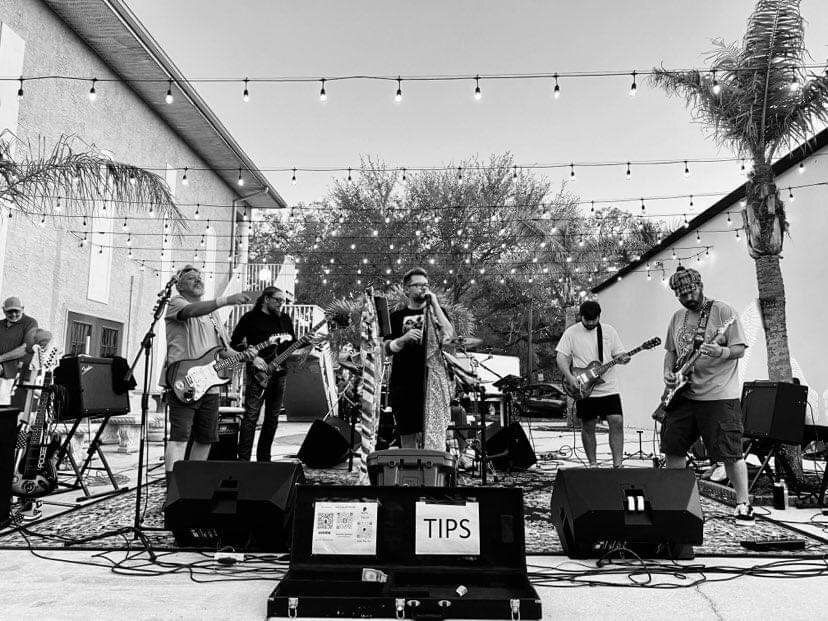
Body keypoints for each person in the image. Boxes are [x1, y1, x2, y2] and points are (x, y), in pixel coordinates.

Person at [660, 266, 753, 523]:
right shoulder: (677, 317)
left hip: (718, 395)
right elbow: (671, 352)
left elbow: (739, 349)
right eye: (682, 294)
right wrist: (667, 372)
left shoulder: (723, 311)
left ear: (700, 286)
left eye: (691, 292)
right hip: (683, 395)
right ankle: (677, 501)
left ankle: (743, 504)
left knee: (730, 452)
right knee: (673, 447)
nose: (688, 298)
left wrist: (720, 351)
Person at [163, 265, 250, 487]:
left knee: (206, 438)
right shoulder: (176, 302)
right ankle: (173, 490)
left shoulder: (212, 315)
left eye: (199, 277)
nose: (198, 280)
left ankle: (191, 485)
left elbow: (223, 350)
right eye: (191, 278)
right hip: (183, 380)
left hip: (210, 386)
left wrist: (247, 356)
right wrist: (226, 300)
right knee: (180, 438)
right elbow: (191, 311)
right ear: (180, 286)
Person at [384, 267, 454, 449]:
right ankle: (410, 467)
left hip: (431, 384)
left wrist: (435, 304)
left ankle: (432, 467)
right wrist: (402, 339)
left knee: (434, 437)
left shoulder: (437, 313)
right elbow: (385, 348)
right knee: (407, 436)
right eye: (418, 285)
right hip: (403, 384)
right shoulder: (396, 317)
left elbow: (449, 335)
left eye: (426, 285)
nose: (423, 288)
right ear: (406, 289)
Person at [556, 300, 630, 468]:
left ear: (599, 316)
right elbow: (561, 357)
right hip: (584, 388)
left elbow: (620, 354)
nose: (590, 323)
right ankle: (593, 464)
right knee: (588, 425)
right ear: (580, 316)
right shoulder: (571, 333)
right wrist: (569, 377)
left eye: (594, 320)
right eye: (587, 320)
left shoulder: (609, 331)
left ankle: (618, 465)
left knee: (617, 421)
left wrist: (624, 359)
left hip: (609, 387)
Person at [230, 287, 296, 462]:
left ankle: (264, 459)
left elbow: (292, 344)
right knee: (251, 416)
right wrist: (252, 356)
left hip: (280, 373)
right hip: (257, 373)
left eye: (283, 301)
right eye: (278, 300)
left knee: (272, 419)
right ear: (266, 299)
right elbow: (234, 343)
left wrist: (307, 343)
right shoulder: (250, 318)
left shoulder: (284, 319)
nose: (281, 304)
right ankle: (243, 460)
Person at [0, 296, 38, 407]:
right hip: (1, 372)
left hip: (16, 375)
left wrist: (0, 359)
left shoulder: (30, 323)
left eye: (16, 311)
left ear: (22, 309)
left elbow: (25, 349)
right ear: (3, 310)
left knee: (8, 410)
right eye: (9, 311)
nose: (13, 314)